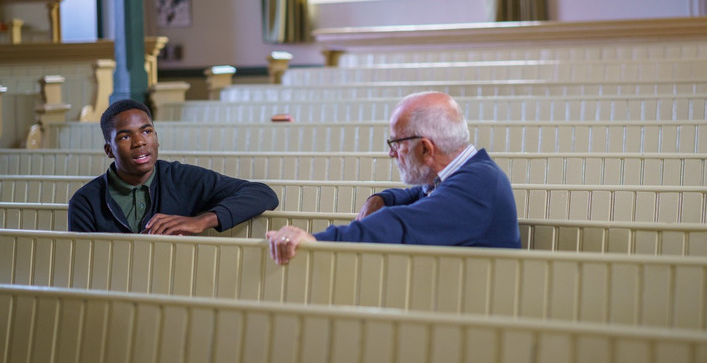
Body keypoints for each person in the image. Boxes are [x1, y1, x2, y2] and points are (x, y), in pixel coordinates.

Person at [266, 91, 521, 264]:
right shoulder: (465, 173)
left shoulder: (478, 184)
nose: (390, 153)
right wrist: (383, 198)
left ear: (425, 148)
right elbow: (418, 194)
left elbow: (406, 225)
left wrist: (316, 241)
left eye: (396, 143)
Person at [68, 99, 279, 234]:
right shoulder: (86, 201)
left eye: (147, 131)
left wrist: (202, 220)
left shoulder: (181, 178)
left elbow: (262, 193)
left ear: (156, 138)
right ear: (109, 150)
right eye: (125, 136)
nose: (140, 142)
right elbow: (83, 264)